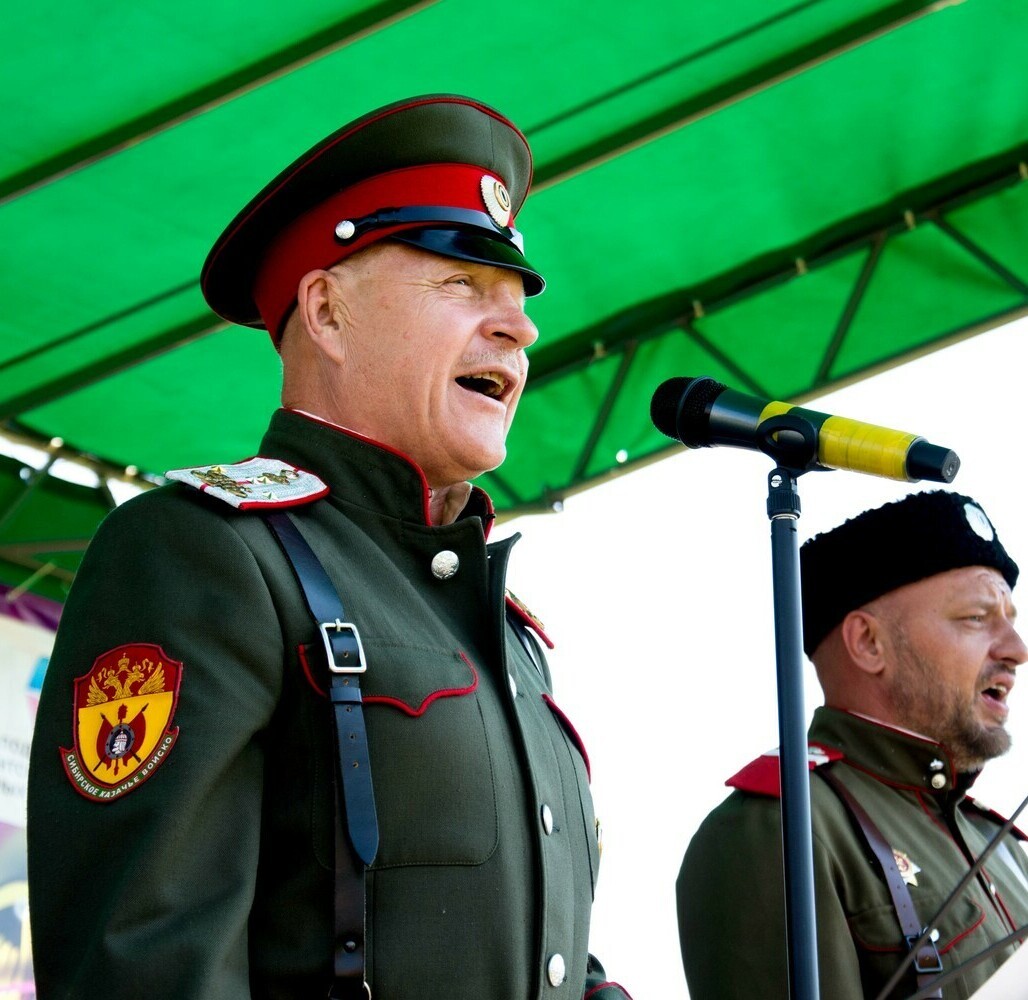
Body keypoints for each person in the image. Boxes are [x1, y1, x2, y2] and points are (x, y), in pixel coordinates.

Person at [27, 95, 631, 1000]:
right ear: (326, 312)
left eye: (517, 303)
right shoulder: (206, 554)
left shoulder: (509, 633)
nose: (521, 329)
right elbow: (146, 965)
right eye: (462, 284)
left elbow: (547, 962)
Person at [677, 490, 1028, 999]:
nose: (1016, 649)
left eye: (1010, 620)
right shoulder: (782, 828)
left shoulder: (1003, 846)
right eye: (976, 617)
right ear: (868, 643)